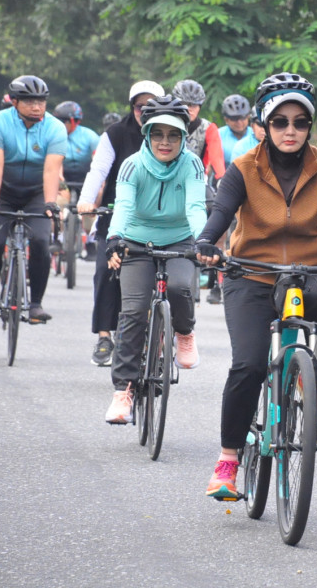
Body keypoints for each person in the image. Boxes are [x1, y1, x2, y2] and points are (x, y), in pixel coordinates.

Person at [194, 72, 317, 499]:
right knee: (247, 366)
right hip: (250, 276)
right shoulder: (244, 168)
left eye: (300, 122)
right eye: (280, 121)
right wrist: (207, 242)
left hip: (306, 275)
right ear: (263, 125)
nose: (291, 130)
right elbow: (222, 213)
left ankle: (313, 373)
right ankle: (228, 461)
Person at [103, 95, 207, 424]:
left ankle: (185, 332)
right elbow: (123, 206)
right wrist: (114, 239)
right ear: (147, 134)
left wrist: (203, 241)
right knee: (132, 312)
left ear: (183, 137)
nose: (165, 142)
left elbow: (195, 207)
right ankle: (123, 392)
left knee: (179, 287)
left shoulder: (192, 164)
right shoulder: (132, 164)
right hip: (135, 241)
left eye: (173, 135)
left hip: (180, 238)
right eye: (158, 134)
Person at [78, 80, 166, 366]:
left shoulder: (171, 134)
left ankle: (163, 335)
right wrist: (86, 200)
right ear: (132, 108)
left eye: (153, 106)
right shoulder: (115, 134)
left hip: (160, 219)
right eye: (141, 107)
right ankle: (105, 335)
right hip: (117, 215)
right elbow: (98, 170)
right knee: (105, 271)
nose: (146, 112)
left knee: (168, 274)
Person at [0, 75, 67, 326]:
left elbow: (51, 170)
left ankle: (36, 303)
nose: (37, 107)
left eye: (41, 101)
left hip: (36, 193)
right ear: (14, 102)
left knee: (40, 241)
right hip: (3, 192)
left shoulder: (55, 127)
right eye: (30, 102)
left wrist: (50, 204)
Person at [173, 79, 227, 305]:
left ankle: (217, 276)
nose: (189, 109)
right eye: (185, 104)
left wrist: (223, 179)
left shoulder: (208, 128)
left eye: (194, 105)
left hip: (197, 181)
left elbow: (216, 159)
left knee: (221, 213)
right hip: (168, 181)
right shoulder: (167, 122)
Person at [53, 101, 100, 259]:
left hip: (85, 177)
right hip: (63, 176)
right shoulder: (54, 136)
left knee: (89, 209)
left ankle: (91, 242)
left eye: (63, 122)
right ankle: (57, 238)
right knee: (57, 204)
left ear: (74, 121)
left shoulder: (90, 136)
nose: (60, 125)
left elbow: (99, 162)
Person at [218, 94, 253, 166]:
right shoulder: (218, 135)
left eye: (242, 117)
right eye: (234, 118)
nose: (239, 122)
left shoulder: (256, 134)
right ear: (226, 119)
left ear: (248, 117)